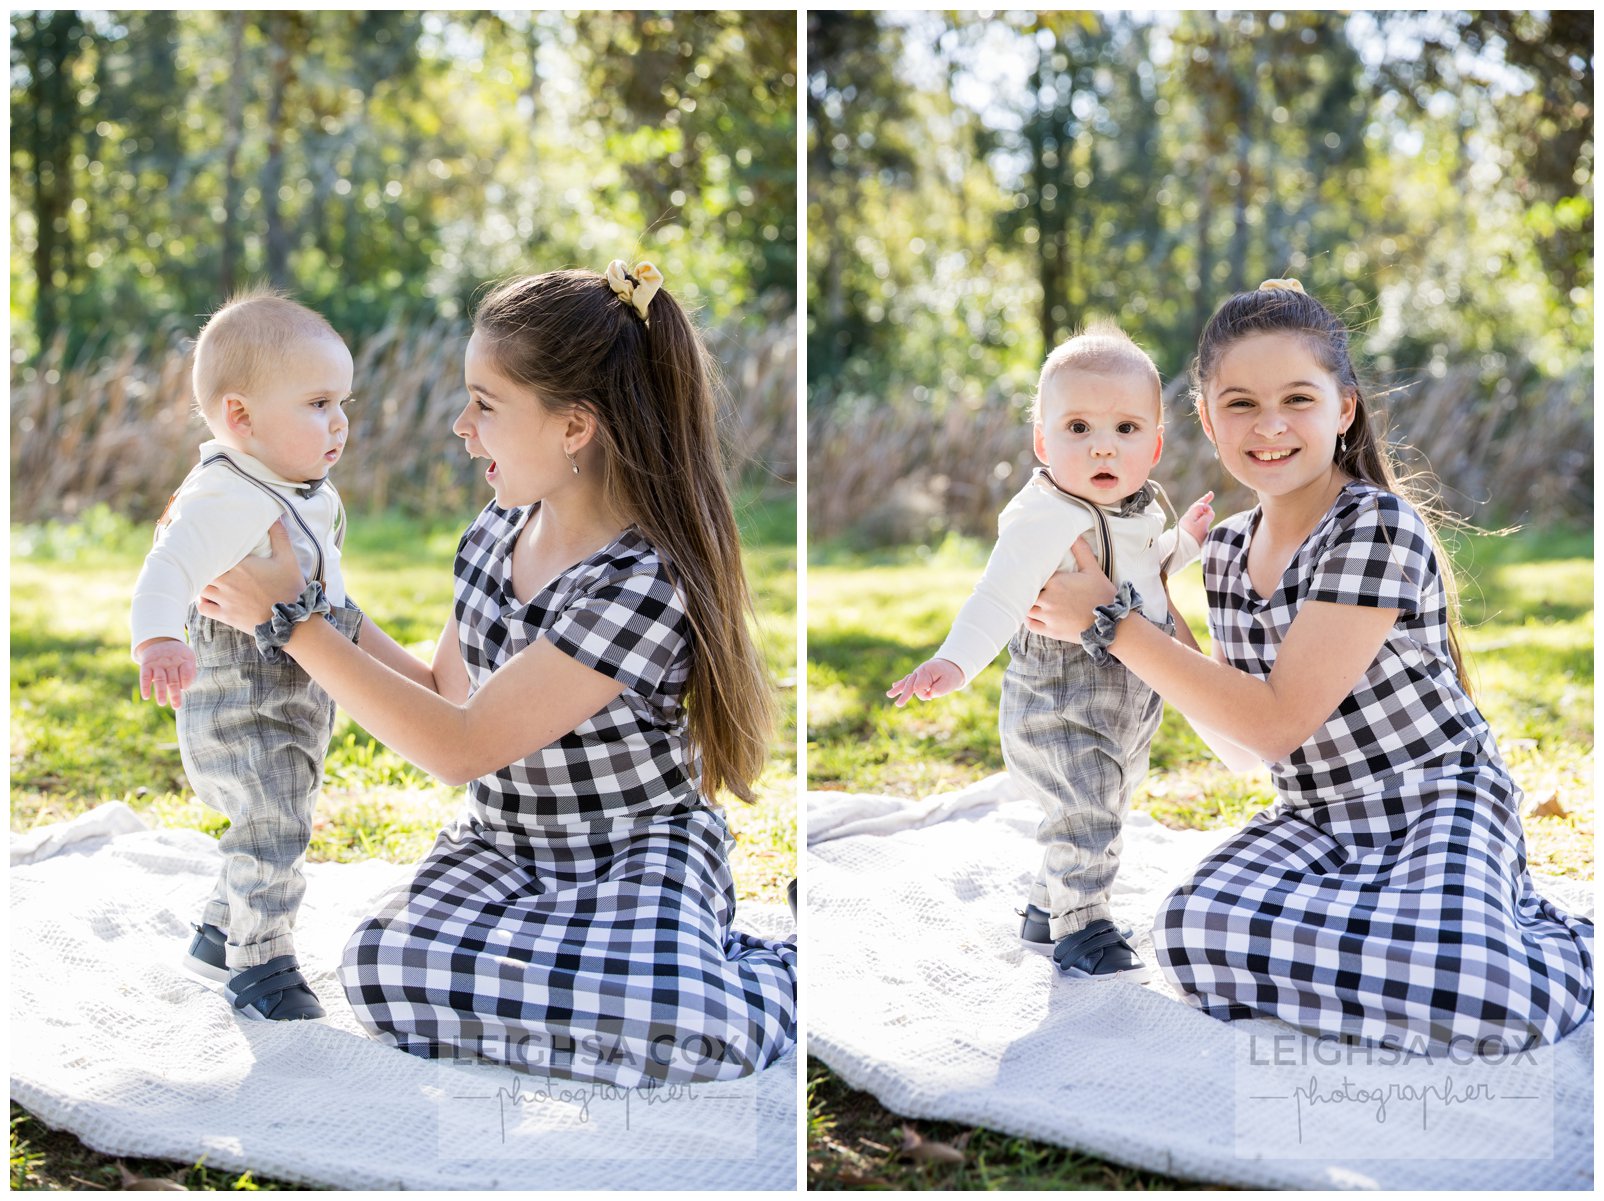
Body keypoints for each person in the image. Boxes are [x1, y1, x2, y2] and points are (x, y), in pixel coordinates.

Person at [198, 261, 798, 1085]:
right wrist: (305, 595)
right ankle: (583, 992)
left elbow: (462, 745)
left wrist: (290, 621)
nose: (460, 426)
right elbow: (444, 690)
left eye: (484, 404)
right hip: (506, 847)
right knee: (381, 967)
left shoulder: (640, 581)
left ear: (574, 427)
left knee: (683, 1029)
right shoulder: (496, 531)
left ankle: (791, 958)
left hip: (631, 850)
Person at [1026, 279, 1593, 1050]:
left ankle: (1559, 946)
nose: (1270, 427)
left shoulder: (1375, 525)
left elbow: (1281, 718)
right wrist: (1156, 612)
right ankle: (1401, 950)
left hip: (1434, 803)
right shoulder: (1225, 551)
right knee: (1192, 927)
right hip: (1318, 820)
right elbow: (1243, 744)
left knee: (1481, 991)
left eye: (1297, 398)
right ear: (1204, 419)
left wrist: (1111, 622)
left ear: (1344, 408)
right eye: (1240, 405)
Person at [887, 323, 1214, 981]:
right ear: (1043, 441)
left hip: (1129, 695)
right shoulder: (1044, 516)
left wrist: (1184, 542)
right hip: (1060, 703)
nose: (1102, 445)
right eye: (1077, 428)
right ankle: (1082, 928)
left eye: (1125, 429)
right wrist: (955, 659)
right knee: (1086, 809)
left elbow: (1142, 573)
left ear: (1153, 446)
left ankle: (1045, 906)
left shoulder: (1142, 508)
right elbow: (999, 595)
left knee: (1105, 801)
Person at [131, 290, 359, 1022]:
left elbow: (325, 587)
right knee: (272, 825)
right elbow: (166, 567)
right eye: (318, 403)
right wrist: (160, 637)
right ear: (241, 418)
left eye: (342, 402)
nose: (340, 421)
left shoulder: (298, 489)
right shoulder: (225, 494)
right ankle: (262, 964)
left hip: (291, 696)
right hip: (241, 705)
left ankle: (215, 934)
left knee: (274, 816)